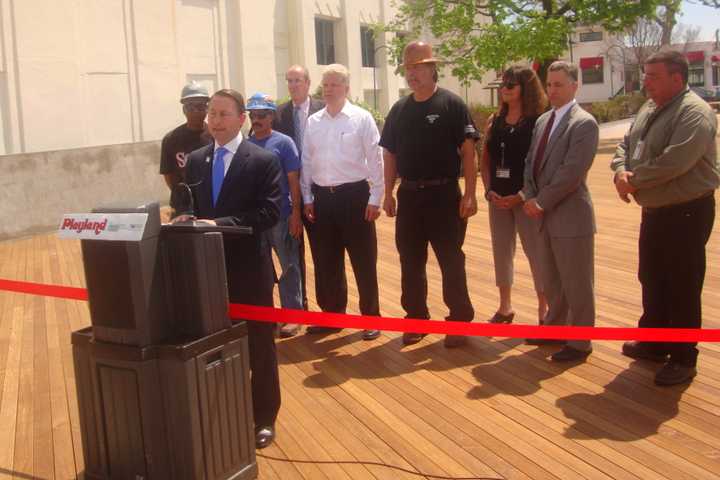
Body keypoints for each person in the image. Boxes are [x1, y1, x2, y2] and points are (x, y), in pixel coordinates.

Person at [178, 89, 283, 449]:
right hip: (206, 270)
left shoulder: (262, 160)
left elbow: (269, 213)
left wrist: (215, 222)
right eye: (211, 114)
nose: (214, 120)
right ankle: (224, 410)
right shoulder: (195, 160)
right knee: (213, 344)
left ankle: (264, 416)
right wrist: (183, 218)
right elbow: (185, 204)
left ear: (242, 119)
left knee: (260, 348)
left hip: (250, 271)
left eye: (223, 114)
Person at [611, 50, 719, 386]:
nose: (645, 82)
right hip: (655, 211)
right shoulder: (649, 107)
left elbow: (676, 162)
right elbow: (625, 143)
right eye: (645, 75)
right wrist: (619, 171)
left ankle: (684, 356)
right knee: (652, 276)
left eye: (652, 76)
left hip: (686, 211)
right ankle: (655, 342)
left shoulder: (694, 113)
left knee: (682, 284)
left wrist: (634, 179)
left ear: (677, 78)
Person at [380, 41, 478, 348]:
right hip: (409, 196)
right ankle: (416, 318)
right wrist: (388, 193)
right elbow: (390, 155)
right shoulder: (399, 110)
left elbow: (469, 153)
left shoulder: (451, 104)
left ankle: (460, 321)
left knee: (451, 260)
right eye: (408, 68)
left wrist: (471, 195)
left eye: (418, 67)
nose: (412, 74)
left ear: (432, 69)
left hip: (445, 195)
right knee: (410, 261)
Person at [521, 61, 599, 362]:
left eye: (558, 85)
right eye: (549, 85)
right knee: (551, 278)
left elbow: (571, 173)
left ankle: (580, 342)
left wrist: (540, 202)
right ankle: (554, 328)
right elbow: (530, 162)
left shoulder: (584, 124)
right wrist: (528, 193)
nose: (552, 90)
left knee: (577, 281)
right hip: (542, 214)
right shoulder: (543, 121)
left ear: (574, 86)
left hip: (569, 215)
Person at [300, 64, 383, 341]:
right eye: (325, 84)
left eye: (334, 84)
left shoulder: (361, 118)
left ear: (347, 87)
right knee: (326, 262)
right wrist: (308, 197)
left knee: (363, 260)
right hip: (323, 199)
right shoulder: (313, 122)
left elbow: (376, 160)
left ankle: (371, 317)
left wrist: (375, 198)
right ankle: (333, 317)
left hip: (355, 197)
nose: (329, 89)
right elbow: (307, 162)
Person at [480, 65, 548, 326]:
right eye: (502, 84)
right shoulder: (493, 121)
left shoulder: (538, 122)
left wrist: (521, 195)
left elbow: (542, 164)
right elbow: (484, 160)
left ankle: (544, 310)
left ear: (525, 88)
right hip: (498, 199)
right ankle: (505, 306)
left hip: (527, 200)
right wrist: (488, 190)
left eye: (511, 84)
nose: (504, 89)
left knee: (536, 253)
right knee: (501, 252)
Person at [246, 93, 304, 334]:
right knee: (260, 269)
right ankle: (267, 314)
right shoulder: (245, 145)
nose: (256, 119)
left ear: (272, 116)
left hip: (281, 217)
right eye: (253, 115)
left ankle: (293, 315)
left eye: (262, 115)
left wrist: (296, 214)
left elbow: (294, 182)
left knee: (288, 267)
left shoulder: (284, 143)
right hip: (255, 220)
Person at [274, 65, 325, 335]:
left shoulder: (323, 109)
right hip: (290, 195)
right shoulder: (279, 114)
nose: (293, 85)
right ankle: (298, 306)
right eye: (289, 80)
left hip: (319, 190)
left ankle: (328, 308)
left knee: (322, 252)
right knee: (293, 253)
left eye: (297, 80)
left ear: (307, 82)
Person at [159, 81, 211, 204]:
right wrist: (181, 196)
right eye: (190, 107)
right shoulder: (171, 139)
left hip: (210, 201)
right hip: (183, 204)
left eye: (200, 106)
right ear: (184, 110)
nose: (195, 111)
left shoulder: (216, 136)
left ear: (207, 109)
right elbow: (168, 174)